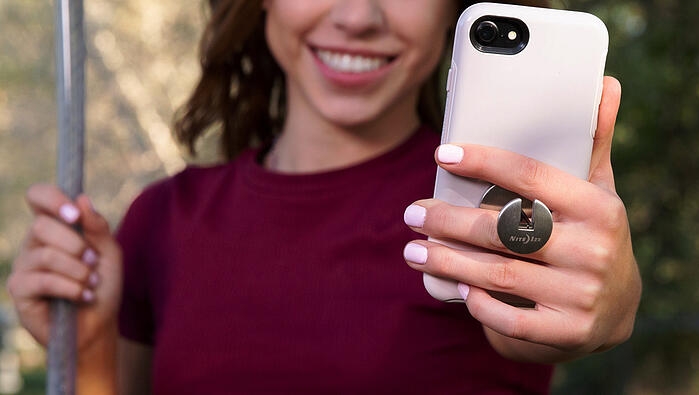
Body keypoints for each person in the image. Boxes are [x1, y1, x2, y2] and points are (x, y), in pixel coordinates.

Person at [8, 0, 642, 393]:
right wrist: (87, 343)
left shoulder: (491, 210)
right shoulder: (164, 220)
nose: (358, 16)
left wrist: (606, 303)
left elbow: (542, 322)